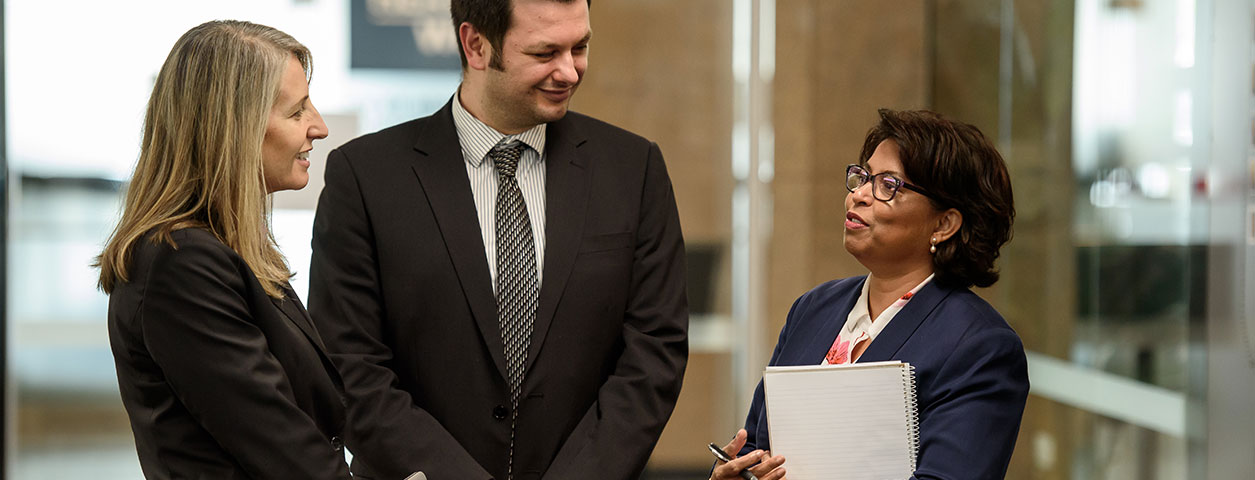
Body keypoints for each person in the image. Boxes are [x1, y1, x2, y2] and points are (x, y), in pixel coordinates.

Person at [306, 0, 689, 479]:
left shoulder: (634, 169)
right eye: (545, 52)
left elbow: (654, 352)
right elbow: (350, 367)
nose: (569, 71)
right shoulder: (365, 177)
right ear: (476, 45)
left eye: (580, 47)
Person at [712, 109, 1028, 480]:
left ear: (944, 224)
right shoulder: (814, 308)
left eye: (888, 185)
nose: (859, 195)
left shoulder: (980, 347)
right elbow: (755, 446)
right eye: (863, 177)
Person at [95, 20, 348, 479]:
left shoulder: (220, 251)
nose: (320, 127)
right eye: (297, 112)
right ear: (236, 128)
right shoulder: (183, 264)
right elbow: (286, 450)